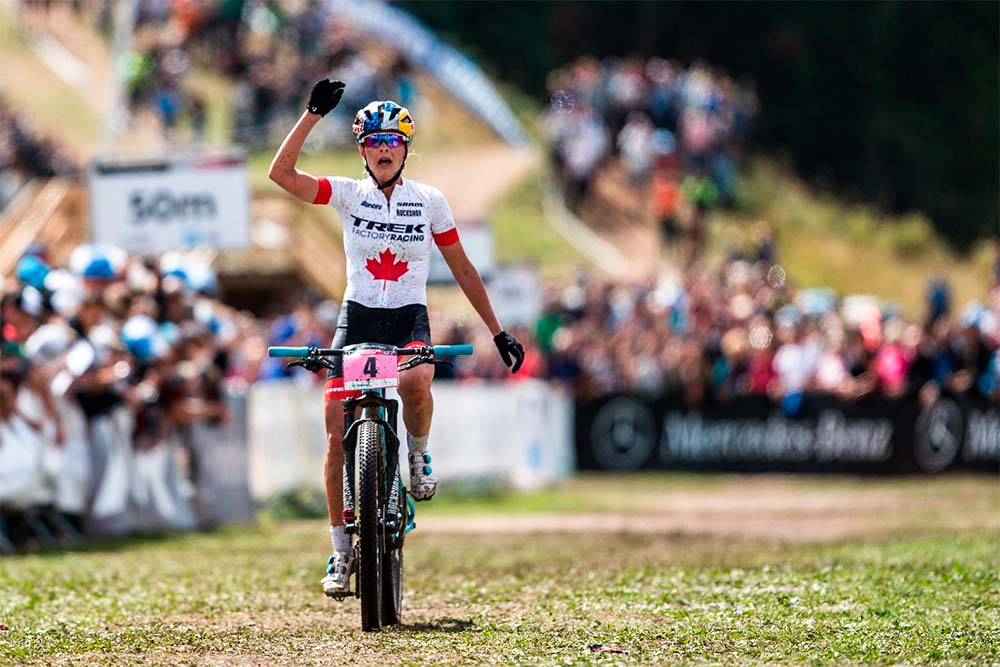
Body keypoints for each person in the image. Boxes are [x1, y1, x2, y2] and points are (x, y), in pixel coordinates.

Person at [268, 79, 525, 596]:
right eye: (374, 142)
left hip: (408, 316)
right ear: (362, 150)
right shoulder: (347, 193)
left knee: (419, 377)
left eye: (393, 141)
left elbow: (464, 269)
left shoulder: (429, 202)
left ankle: (417, 453)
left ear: (406, 149)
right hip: (357, 317)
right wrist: (312, 113)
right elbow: (281, 174)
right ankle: (341, 551)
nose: (384, 149)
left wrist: (497, 333)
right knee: (335, 427)